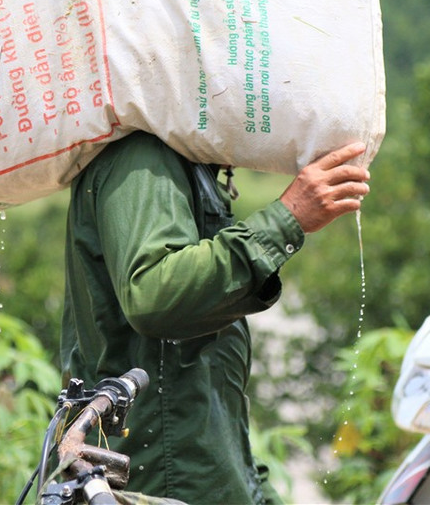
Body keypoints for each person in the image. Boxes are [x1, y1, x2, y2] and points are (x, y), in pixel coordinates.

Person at [60, 130, 371, 504]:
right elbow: (154, 295)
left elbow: (208, 401)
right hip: (161, 486)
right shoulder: (144, 155)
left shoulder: (187, 164)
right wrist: (287, 219)